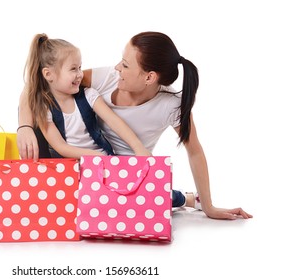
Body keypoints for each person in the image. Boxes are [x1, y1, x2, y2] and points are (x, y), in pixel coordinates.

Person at [17, 31, 253, 220]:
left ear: (149, 77)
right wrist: (24, 126)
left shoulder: (171, 105)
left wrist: (209, 207)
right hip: (94, 161)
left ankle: (187, 199)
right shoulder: (107, 78)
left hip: (128, 170)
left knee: (140, 203)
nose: (117, 67)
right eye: (121, 60)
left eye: (126, 65)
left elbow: (195, 151)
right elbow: (37, 87)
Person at [18, 33, 151, 159]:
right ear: (48, 74)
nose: (80, 74)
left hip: (101, 159)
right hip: (71, 166)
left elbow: (113, 121)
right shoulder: (44, 108)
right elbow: (60, 147)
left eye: (80, 67)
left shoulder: (89, 95)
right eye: (73, 69)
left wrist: (137, 147)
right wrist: (91, 155)